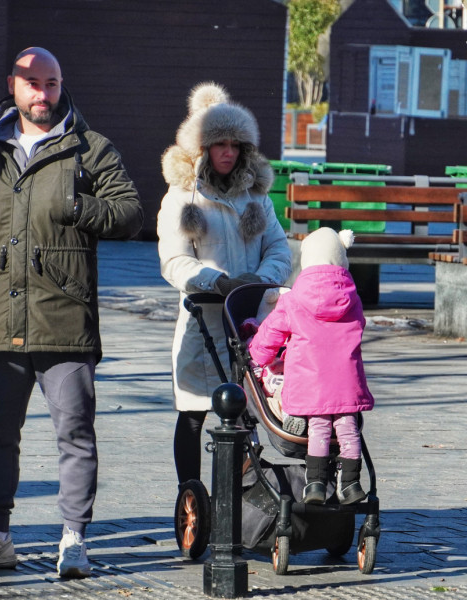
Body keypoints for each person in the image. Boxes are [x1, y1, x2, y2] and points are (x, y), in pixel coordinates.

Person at [0, 47, 143, 578]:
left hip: (66, 320)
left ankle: (73, 539)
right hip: (0, 320)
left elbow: (129, 213)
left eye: (51, 83)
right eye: (33, 83)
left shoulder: (89, 147)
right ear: (13, 84)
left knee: (75, 434)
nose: (43, 94)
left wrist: (80, 207)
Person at [157, 82, 291, 492]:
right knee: (193, 412)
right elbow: (174, 260)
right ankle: (190, 497)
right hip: (203, 323)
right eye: (220, 144)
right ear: (203, 148)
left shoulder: (256, 197)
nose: (228, 152)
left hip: (250, 323)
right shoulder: (182, 198)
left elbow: (279, 249)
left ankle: (241, 498)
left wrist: (258, 281)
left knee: (248, 414)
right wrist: (217, 282)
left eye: (235, 144)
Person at [248, 228, 374, 505]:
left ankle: (315, 484)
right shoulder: (352, 298)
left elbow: (271, 333)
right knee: (348, 428)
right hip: (346, 380)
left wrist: (257, 356)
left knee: (319, 427)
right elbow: (359, 327)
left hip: (310, 382)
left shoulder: (293, 299)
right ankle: (350, 484)